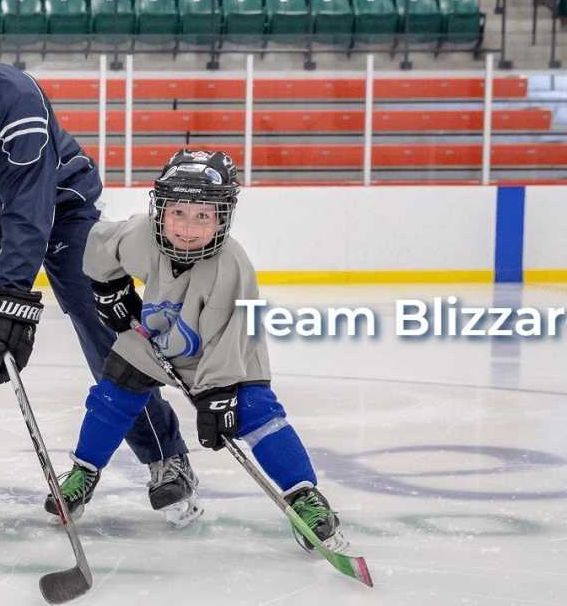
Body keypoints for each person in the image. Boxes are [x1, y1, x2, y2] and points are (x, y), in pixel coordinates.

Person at [0, 6, 202, 525]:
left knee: (101, 325)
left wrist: (11, 303)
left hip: (60, 210)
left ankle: (166, 457)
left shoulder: (15, 101)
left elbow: (29, 211)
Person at [50, 149, 350, 552]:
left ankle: (304, 497)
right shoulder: (141, 236)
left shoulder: (232, 264)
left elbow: (231, 339)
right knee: (113, 391)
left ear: (222, 218)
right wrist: (109, 289)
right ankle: (83, 473)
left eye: (202, 216)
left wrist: (219, 395)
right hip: (156, 337)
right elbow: (100, 246)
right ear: (161, 210)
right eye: (178, 213)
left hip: (225, 354)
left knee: (256, 412)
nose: (187, 229)